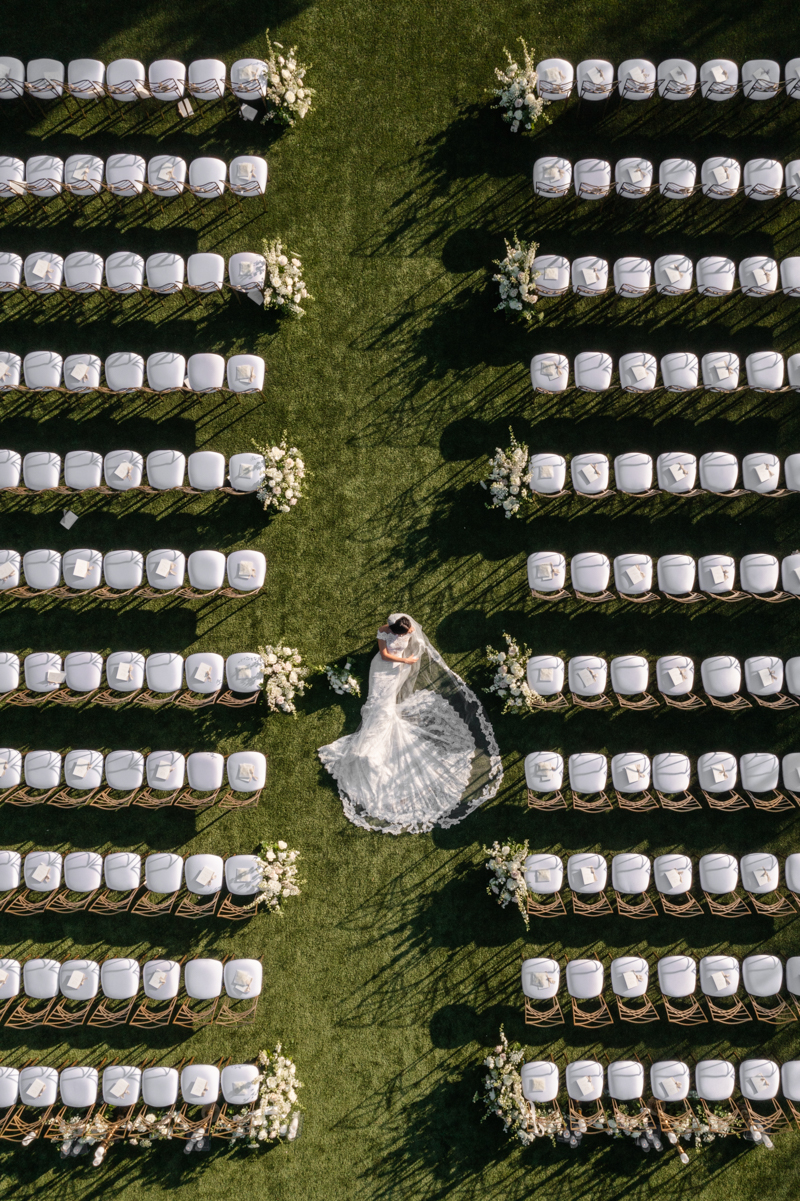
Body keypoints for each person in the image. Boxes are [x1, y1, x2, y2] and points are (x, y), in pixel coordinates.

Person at [318, 612, 503, 834]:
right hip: (383, 667)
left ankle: (379, 729)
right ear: (394, 629)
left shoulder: (406, 626)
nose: (408, 632)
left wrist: (408, 656)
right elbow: (385, 655)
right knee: (378, 702)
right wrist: (405, 659)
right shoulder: (384, 632)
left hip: (399, 669)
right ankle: (377, 731)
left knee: (385, 704)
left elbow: (414, 635)